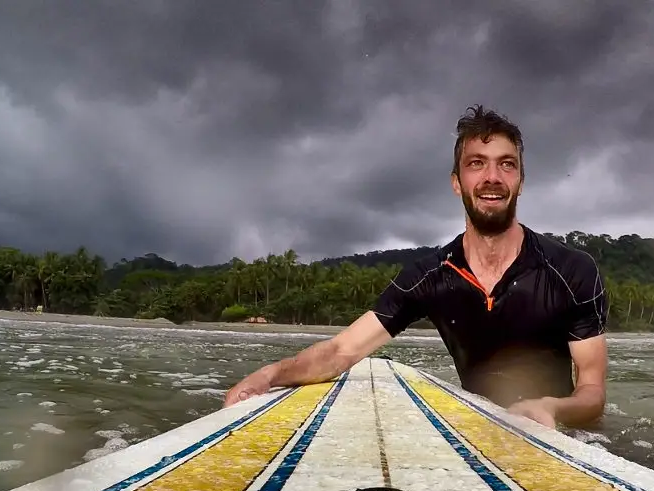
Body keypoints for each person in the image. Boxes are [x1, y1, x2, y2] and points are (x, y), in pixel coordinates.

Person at [223, 105, 609, 430]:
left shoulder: (572, 271)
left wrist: (552, 408)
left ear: (520, 181)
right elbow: (342, 351)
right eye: (477, 164)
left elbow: (592, 393)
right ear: (457, 183)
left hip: (559, 437)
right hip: (480, 428)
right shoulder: (431, 277)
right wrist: (270, 375)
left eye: (506, 165)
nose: (492, 177)